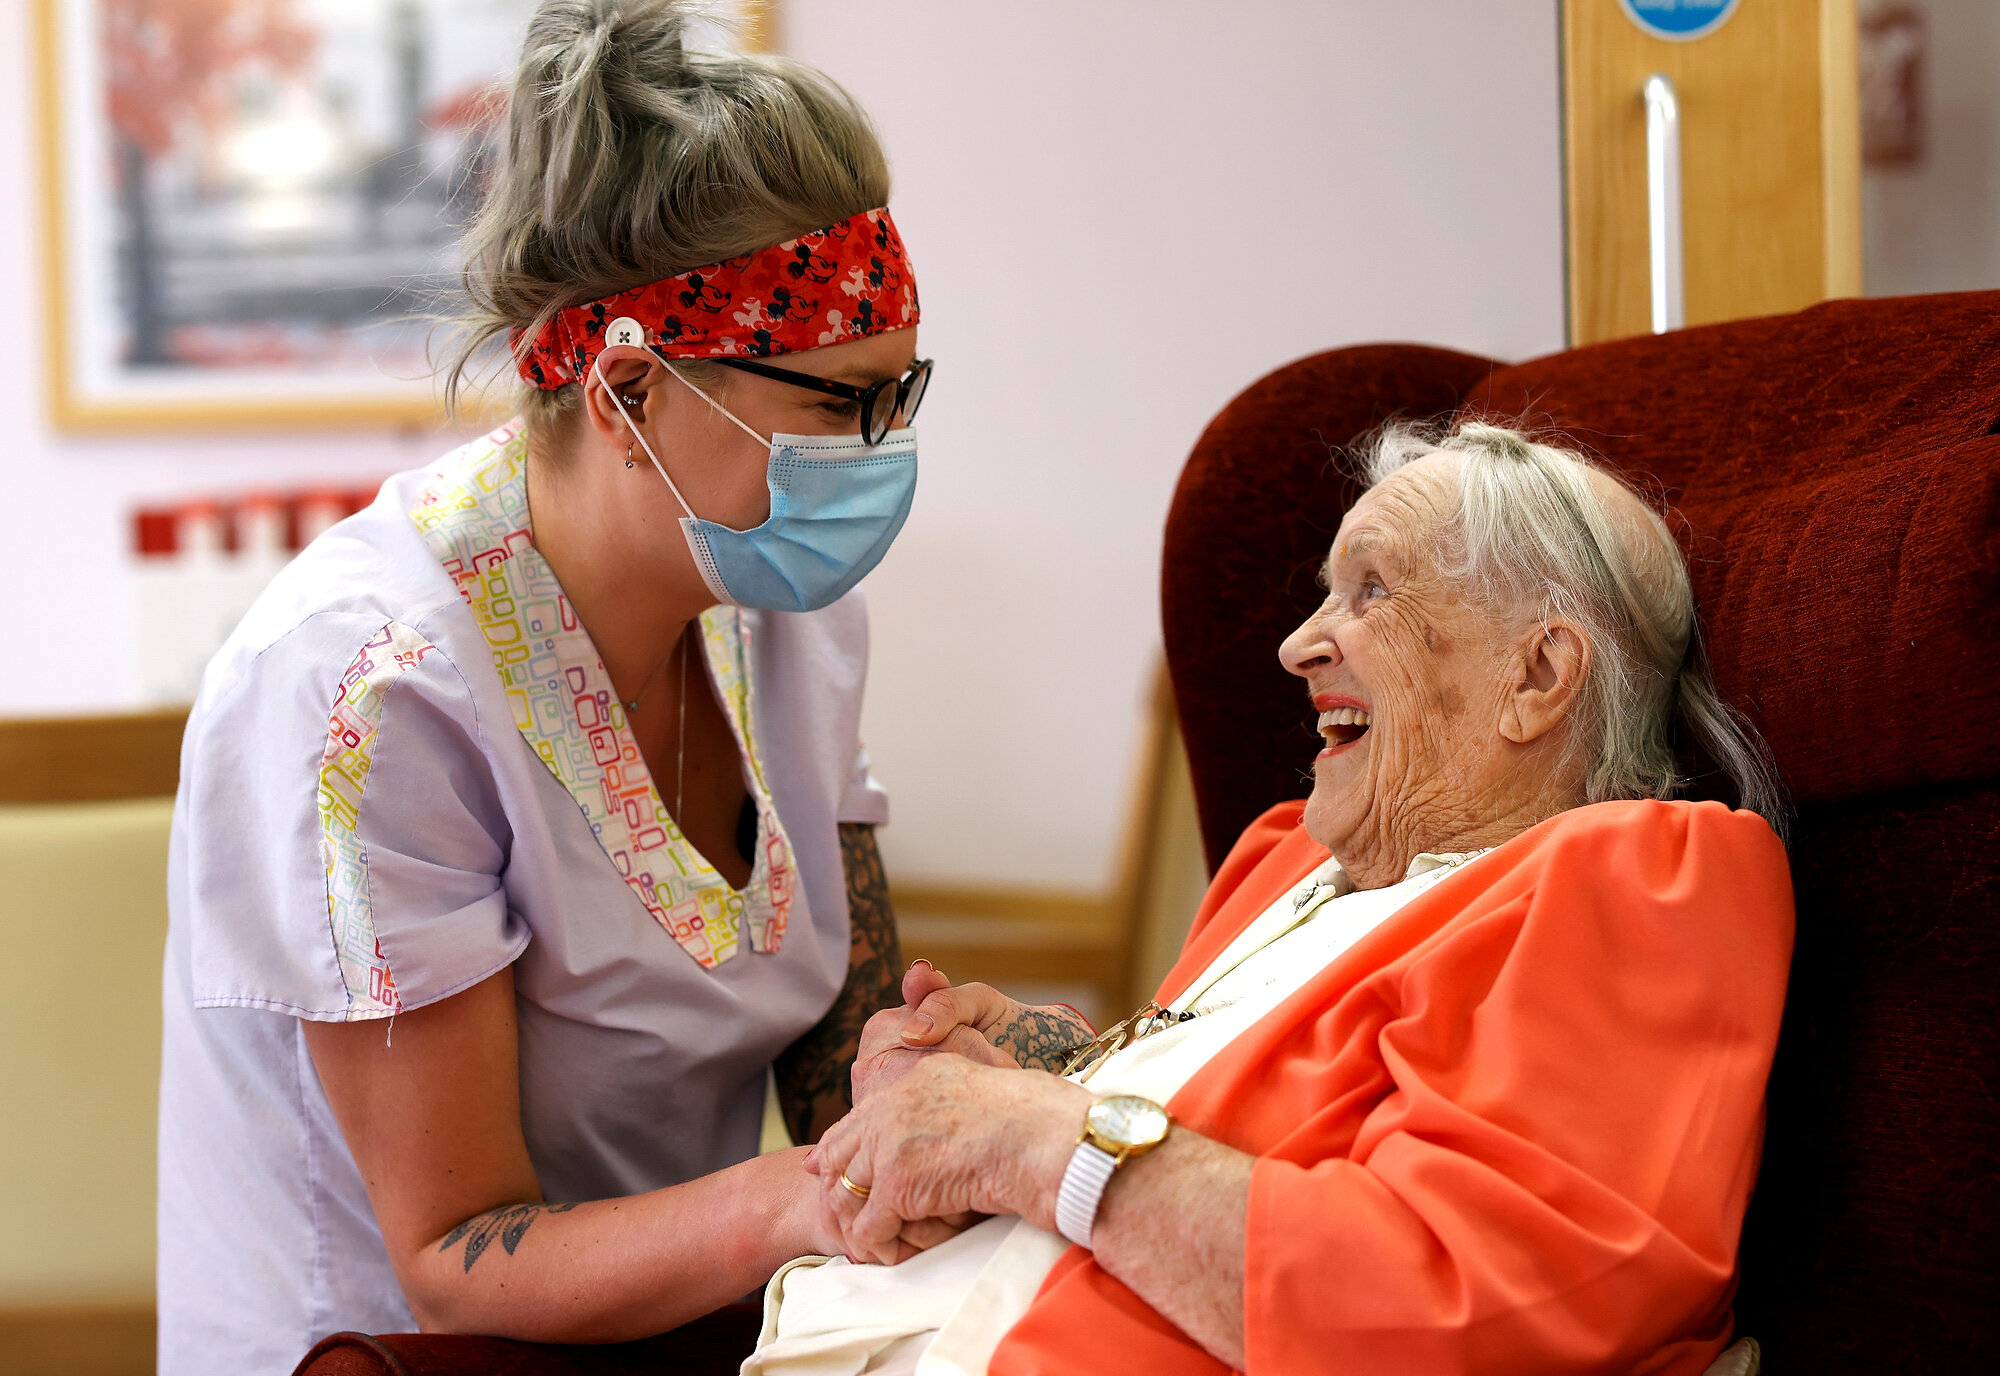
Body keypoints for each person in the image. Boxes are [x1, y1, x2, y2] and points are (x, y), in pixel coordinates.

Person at [156, 3, 932, 1368]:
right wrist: (809, 1197)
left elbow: (835, 1037)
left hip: (674, 1333)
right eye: (833, 409)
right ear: (630, 390)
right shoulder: (369, 690)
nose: (878, 461)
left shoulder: (780, 606)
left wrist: (936, 1087)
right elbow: (457, 1256)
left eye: (897, 398)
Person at [744, 422, 1794, 1376]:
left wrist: (1028, 1136)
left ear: (1536, 674)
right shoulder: (1290, 855)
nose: (1297, 645)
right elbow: (1259, 1111)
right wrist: (1041, 1060)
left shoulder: (1639, 870)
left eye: (1373, 592)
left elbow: (1476, 1308)